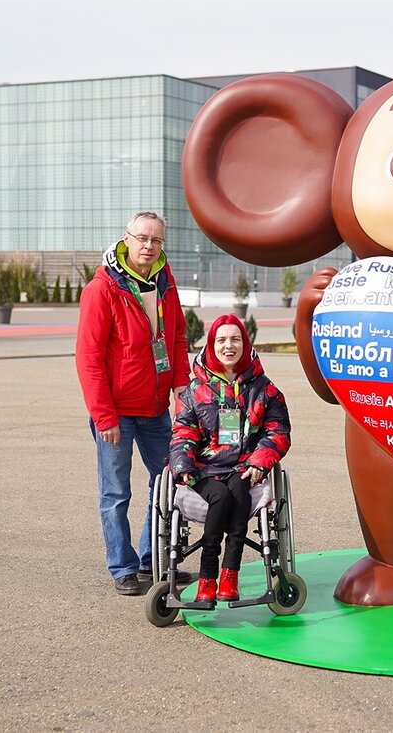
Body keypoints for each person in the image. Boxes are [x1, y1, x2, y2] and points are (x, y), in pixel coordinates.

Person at [76, 211, 190, 595]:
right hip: (118, 414)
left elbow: (175, 338)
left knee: (169, 483)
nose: (148, 246)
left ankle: (149, 561)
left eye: (156, 240)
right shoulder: (103, 288)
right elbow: (88, 357)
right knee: (116, 493)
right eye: (142, 238)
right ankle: (122, 567)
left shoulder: (165, 281)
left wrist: (181, 386)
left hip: (156, 408)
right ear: (126, 239)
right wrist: (103, 415)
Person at [169, 314, 292, 604]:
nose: (229, 345)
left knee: (237, 491)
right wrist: (183, 465)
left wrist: (259, 463)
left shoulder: (265, 389)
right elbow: (183, 433)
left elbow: (278, 431)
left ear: (245, 343)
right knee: (221, 497)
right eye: (222, 340)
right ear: (212, 345)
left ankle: (229, 576)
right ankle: (207, 577)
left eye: (235, 339)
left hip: (245, 467)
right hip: (205, 469)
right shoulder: (193, 391)